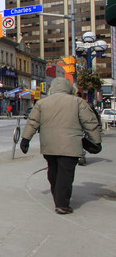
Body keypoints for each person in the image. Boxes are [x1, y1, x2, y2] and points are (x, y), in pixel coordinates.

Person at [20, 77, 102, 214]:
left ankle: (57, 197)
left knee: (53, 171)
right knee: (66, 174)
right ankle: (62, 204)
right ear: (69, 88)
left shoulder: (42, 103)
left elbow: (32, 121)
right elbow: (90, 123)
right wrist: (96, 141)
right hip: (71, 145)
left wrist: (25, 139)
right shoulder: (78, 102)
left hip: (49, 145)